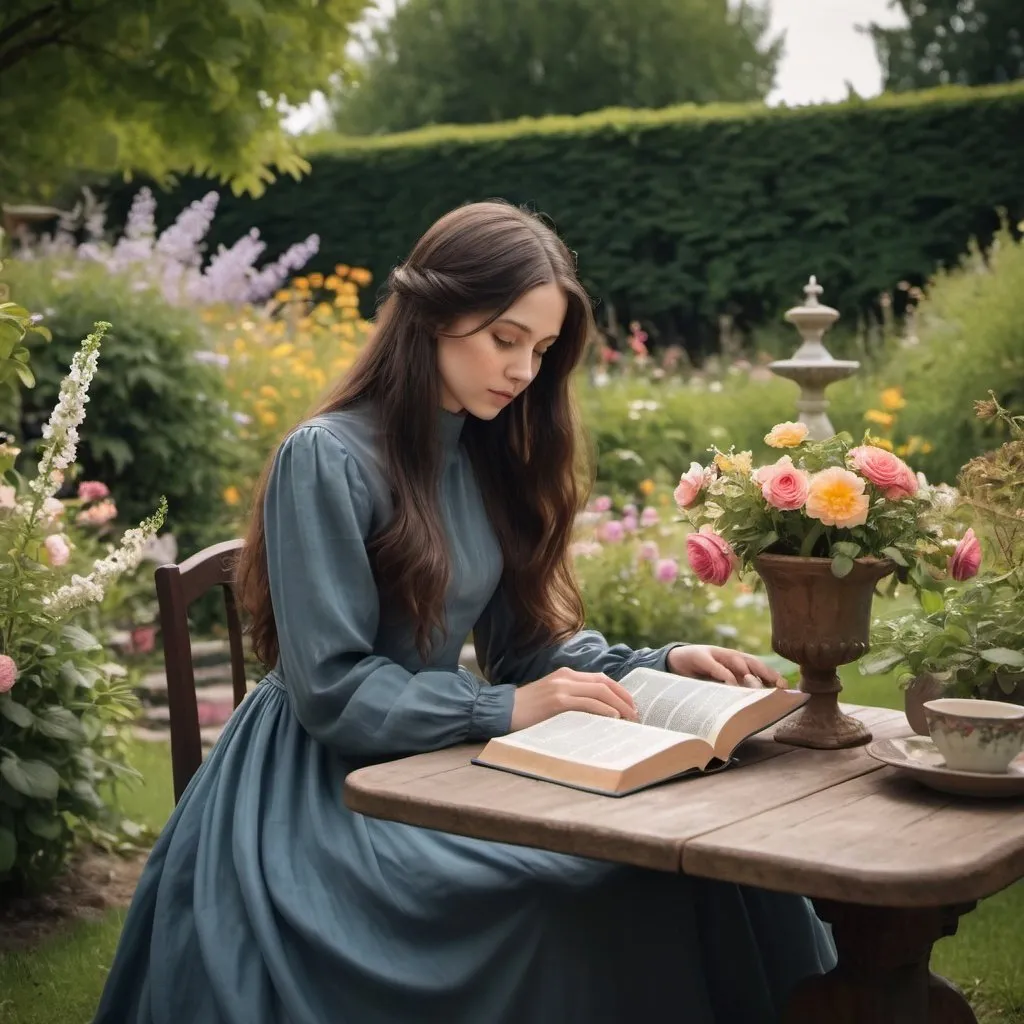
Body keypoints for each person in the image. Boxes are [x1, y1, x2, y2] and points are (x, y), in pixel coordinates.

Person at [94, 201, 835, 1024]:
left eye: (542, 350)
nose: (523, 371)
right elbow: (333, 689)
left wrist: (658, 664)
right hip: (322, 785)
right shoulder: (327, 456)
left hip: (444, 753)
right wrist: (500, 709)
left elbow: (525, 650)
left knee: (694, 869)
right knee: (565, 899)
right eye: (505, 338)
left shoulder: (489, 451)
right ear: (435, 314)